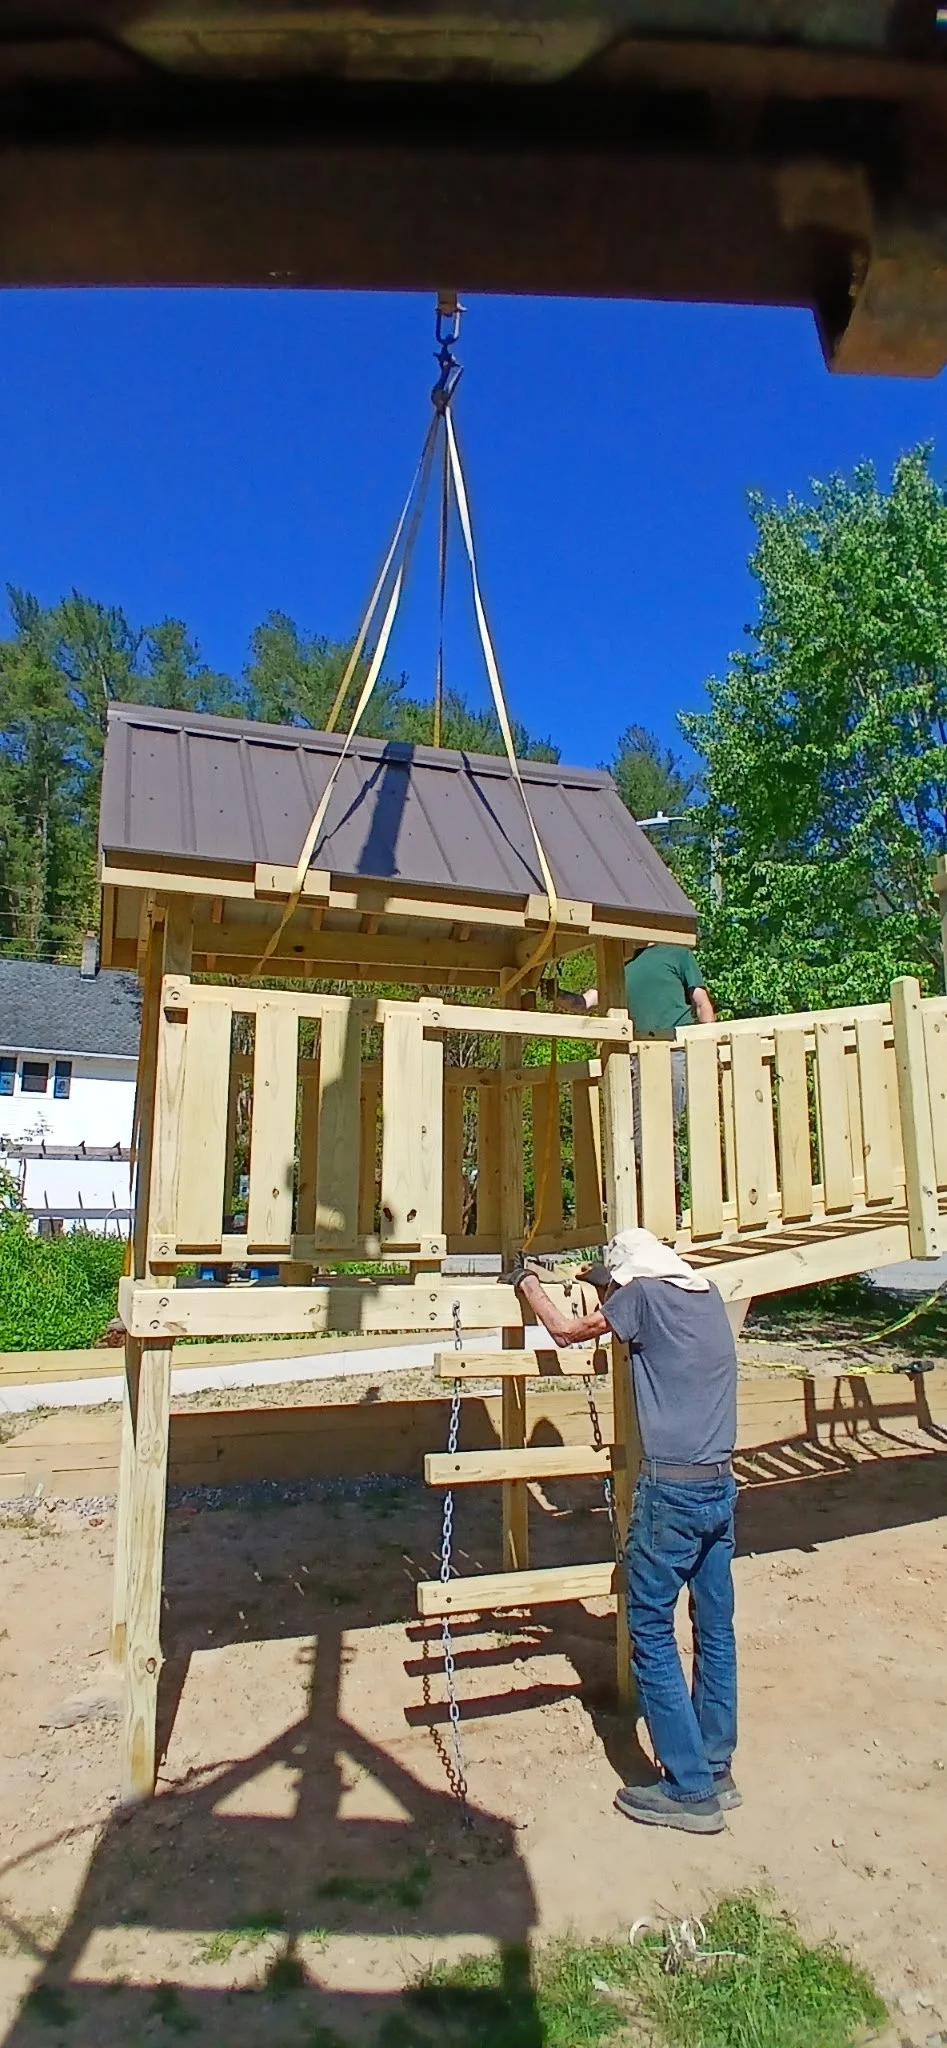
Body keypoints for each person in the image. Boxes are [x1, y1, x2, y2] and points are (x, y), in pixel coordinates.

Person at [509, 1226, 739, 1834]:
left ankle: (688, 1790)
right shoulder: (705, 1294)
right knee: (714, 1627)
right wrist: (598, 1276)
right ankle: (716, 1766)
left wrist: (527, 1282)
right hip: (720, 1485)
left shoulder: (639, 1299)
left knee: (651, 1631)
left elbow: (566, 1331)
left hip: (671, 1492)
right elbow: (633, 1293)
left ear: (629, 1278)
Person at [551, 943, 714, 1223]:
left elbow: (701, 1003)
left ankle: (668, 1214)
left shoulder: (676, 953)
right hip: (635, 1056)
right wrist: (557, 994)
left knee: (664, 1131)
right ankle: (645, 1215)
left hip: (673, 1048)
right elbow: (584, 1002)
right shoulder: (620, 966)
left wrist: (710, 1048)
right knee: (636, 1139)